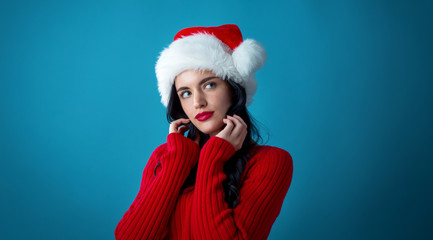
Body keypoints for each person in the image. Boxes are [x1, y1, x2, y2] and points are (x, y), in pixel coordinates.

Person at [115, 24, 293, 240]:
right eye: (186, 93)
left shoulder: (270, 161)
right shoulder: (165, 157)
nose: (198, 102)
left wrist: (213, 158)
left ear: (233, 90)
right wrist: (178, 160)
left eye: (209, 85)